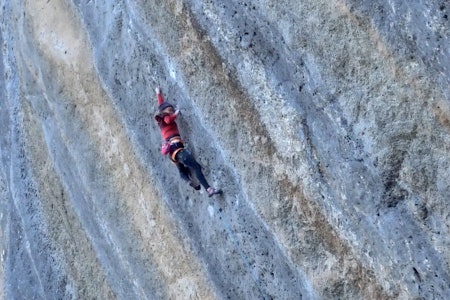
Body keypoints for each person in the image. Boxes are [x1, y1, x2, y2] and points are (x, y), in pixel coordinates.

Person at [154, 87, 222, 197]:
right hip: (178, 149)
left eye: (172, 109)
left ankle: (187, 179)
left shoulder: (161, 118)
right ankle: (209, 189)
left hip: (172, 153)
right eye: (169, 109)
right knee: (197, 167)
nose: (171, 110)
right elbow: (168, 119)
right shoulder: (166, 117)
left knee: (181, 169)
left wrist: (158, 94)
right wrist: (176, 113)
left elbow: (161, 106)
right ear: (165, 112)